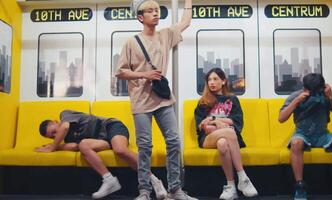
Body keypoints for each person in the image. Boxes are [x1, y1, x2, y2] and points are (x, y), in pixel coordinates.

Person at [115, 0, 197, 199]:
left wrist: (188, 2)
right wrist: (145, 74)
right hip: (141, 102)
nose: (155, 13)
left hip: (163, 99)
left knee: (174, 141)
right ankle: (144, 191)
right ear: (140, 17)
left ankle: (175, 188)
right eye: (150, 11)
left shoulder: (165, 35)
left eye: (157, 10)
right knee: (145, 146)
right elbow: (120, 72)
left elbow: (185, 22)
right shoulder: (131, 41)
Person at [36, 110, 167, 199]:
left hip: (111, 127)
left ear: (55, 122)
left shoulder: (65, 115)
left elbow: (64, 127)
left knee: (119, 149)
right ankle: (109, 180)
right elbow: (75, 146)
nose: (55, 135)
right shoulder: (67, 138)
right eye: (52, 136)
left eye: (54, 131)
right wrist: (56, 146)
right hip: (102, 140)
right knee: (83, 145)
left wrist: (52, 147)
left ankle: (154, 180)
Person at [279, 73, 332, 200]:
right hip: (302, 133)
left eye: (317, 91)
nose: (314, 94)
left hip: (322, 134)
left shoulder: (327, 95)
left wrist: (331, 96)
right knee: (296, 143)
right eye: (311, 91)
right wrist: (297, 101)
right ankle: (300, 186)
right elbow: (281, 118)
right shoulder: (296, 96)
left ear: (322, 87)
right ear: (304, 88)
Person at [194, 68, 258, 200]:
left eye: (215, 79)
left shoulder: (232, 99)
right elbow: (203, 127)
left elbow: (237, 122)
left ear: (223, 81)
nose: (212, 82)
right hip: (207, 139)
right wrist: (220, 123)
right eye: (209, 80)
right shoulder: (203, 102)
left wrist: (215, 120)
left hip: (229, 138)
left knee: (223, 143)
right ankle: (242, 177)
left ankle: (231, 186)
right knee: (229, 131)